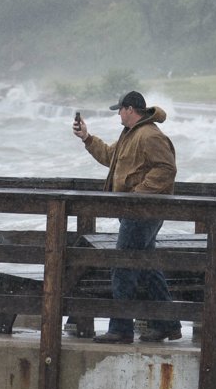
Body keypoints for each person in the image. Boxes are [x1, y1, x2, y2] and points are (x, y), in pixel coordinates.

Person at [72, 90, 183, 344]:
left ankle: (121, 328)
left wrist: (137, 195)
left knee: (122, 266)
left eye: (119, 110)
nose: (118, 115)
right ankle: (168, 324)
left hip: (142, 211)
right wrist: (87, 138)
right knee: (146, 267)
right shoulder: (131, 134)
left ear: (130, 109)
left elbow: (166, 170)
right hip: (137, 211)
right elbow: (111, 158)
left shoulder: (150, 135)